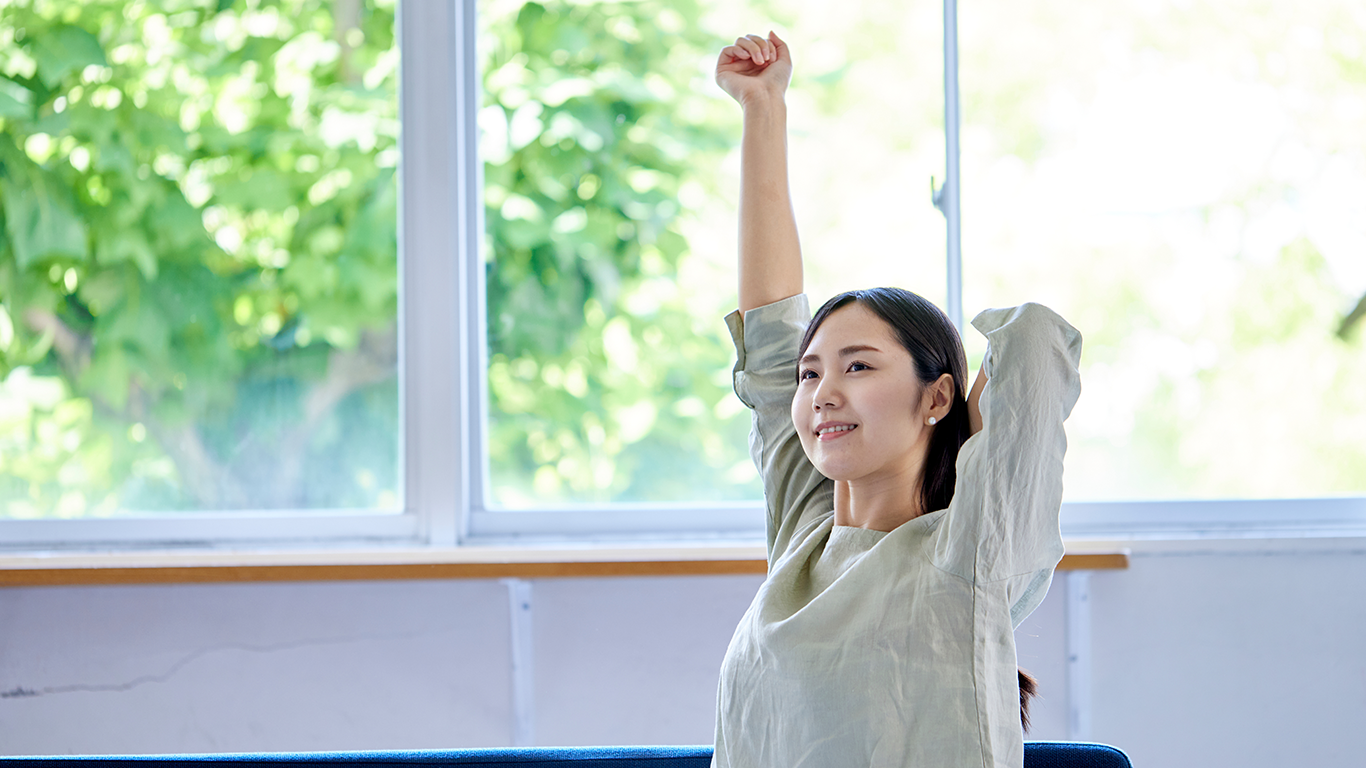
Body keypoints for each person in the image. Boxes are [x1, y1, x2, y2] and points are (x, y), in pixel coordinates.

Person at [710, 32, 1084, 768]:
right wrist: (763, 109)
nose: (824, 392)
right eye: (813, 375)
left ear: (937, 394)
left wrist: (965, 432)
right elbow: (772, 336)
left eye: (859, 366)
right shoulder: (804, 534)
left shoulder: (971, 550)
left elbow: (1035, 349)